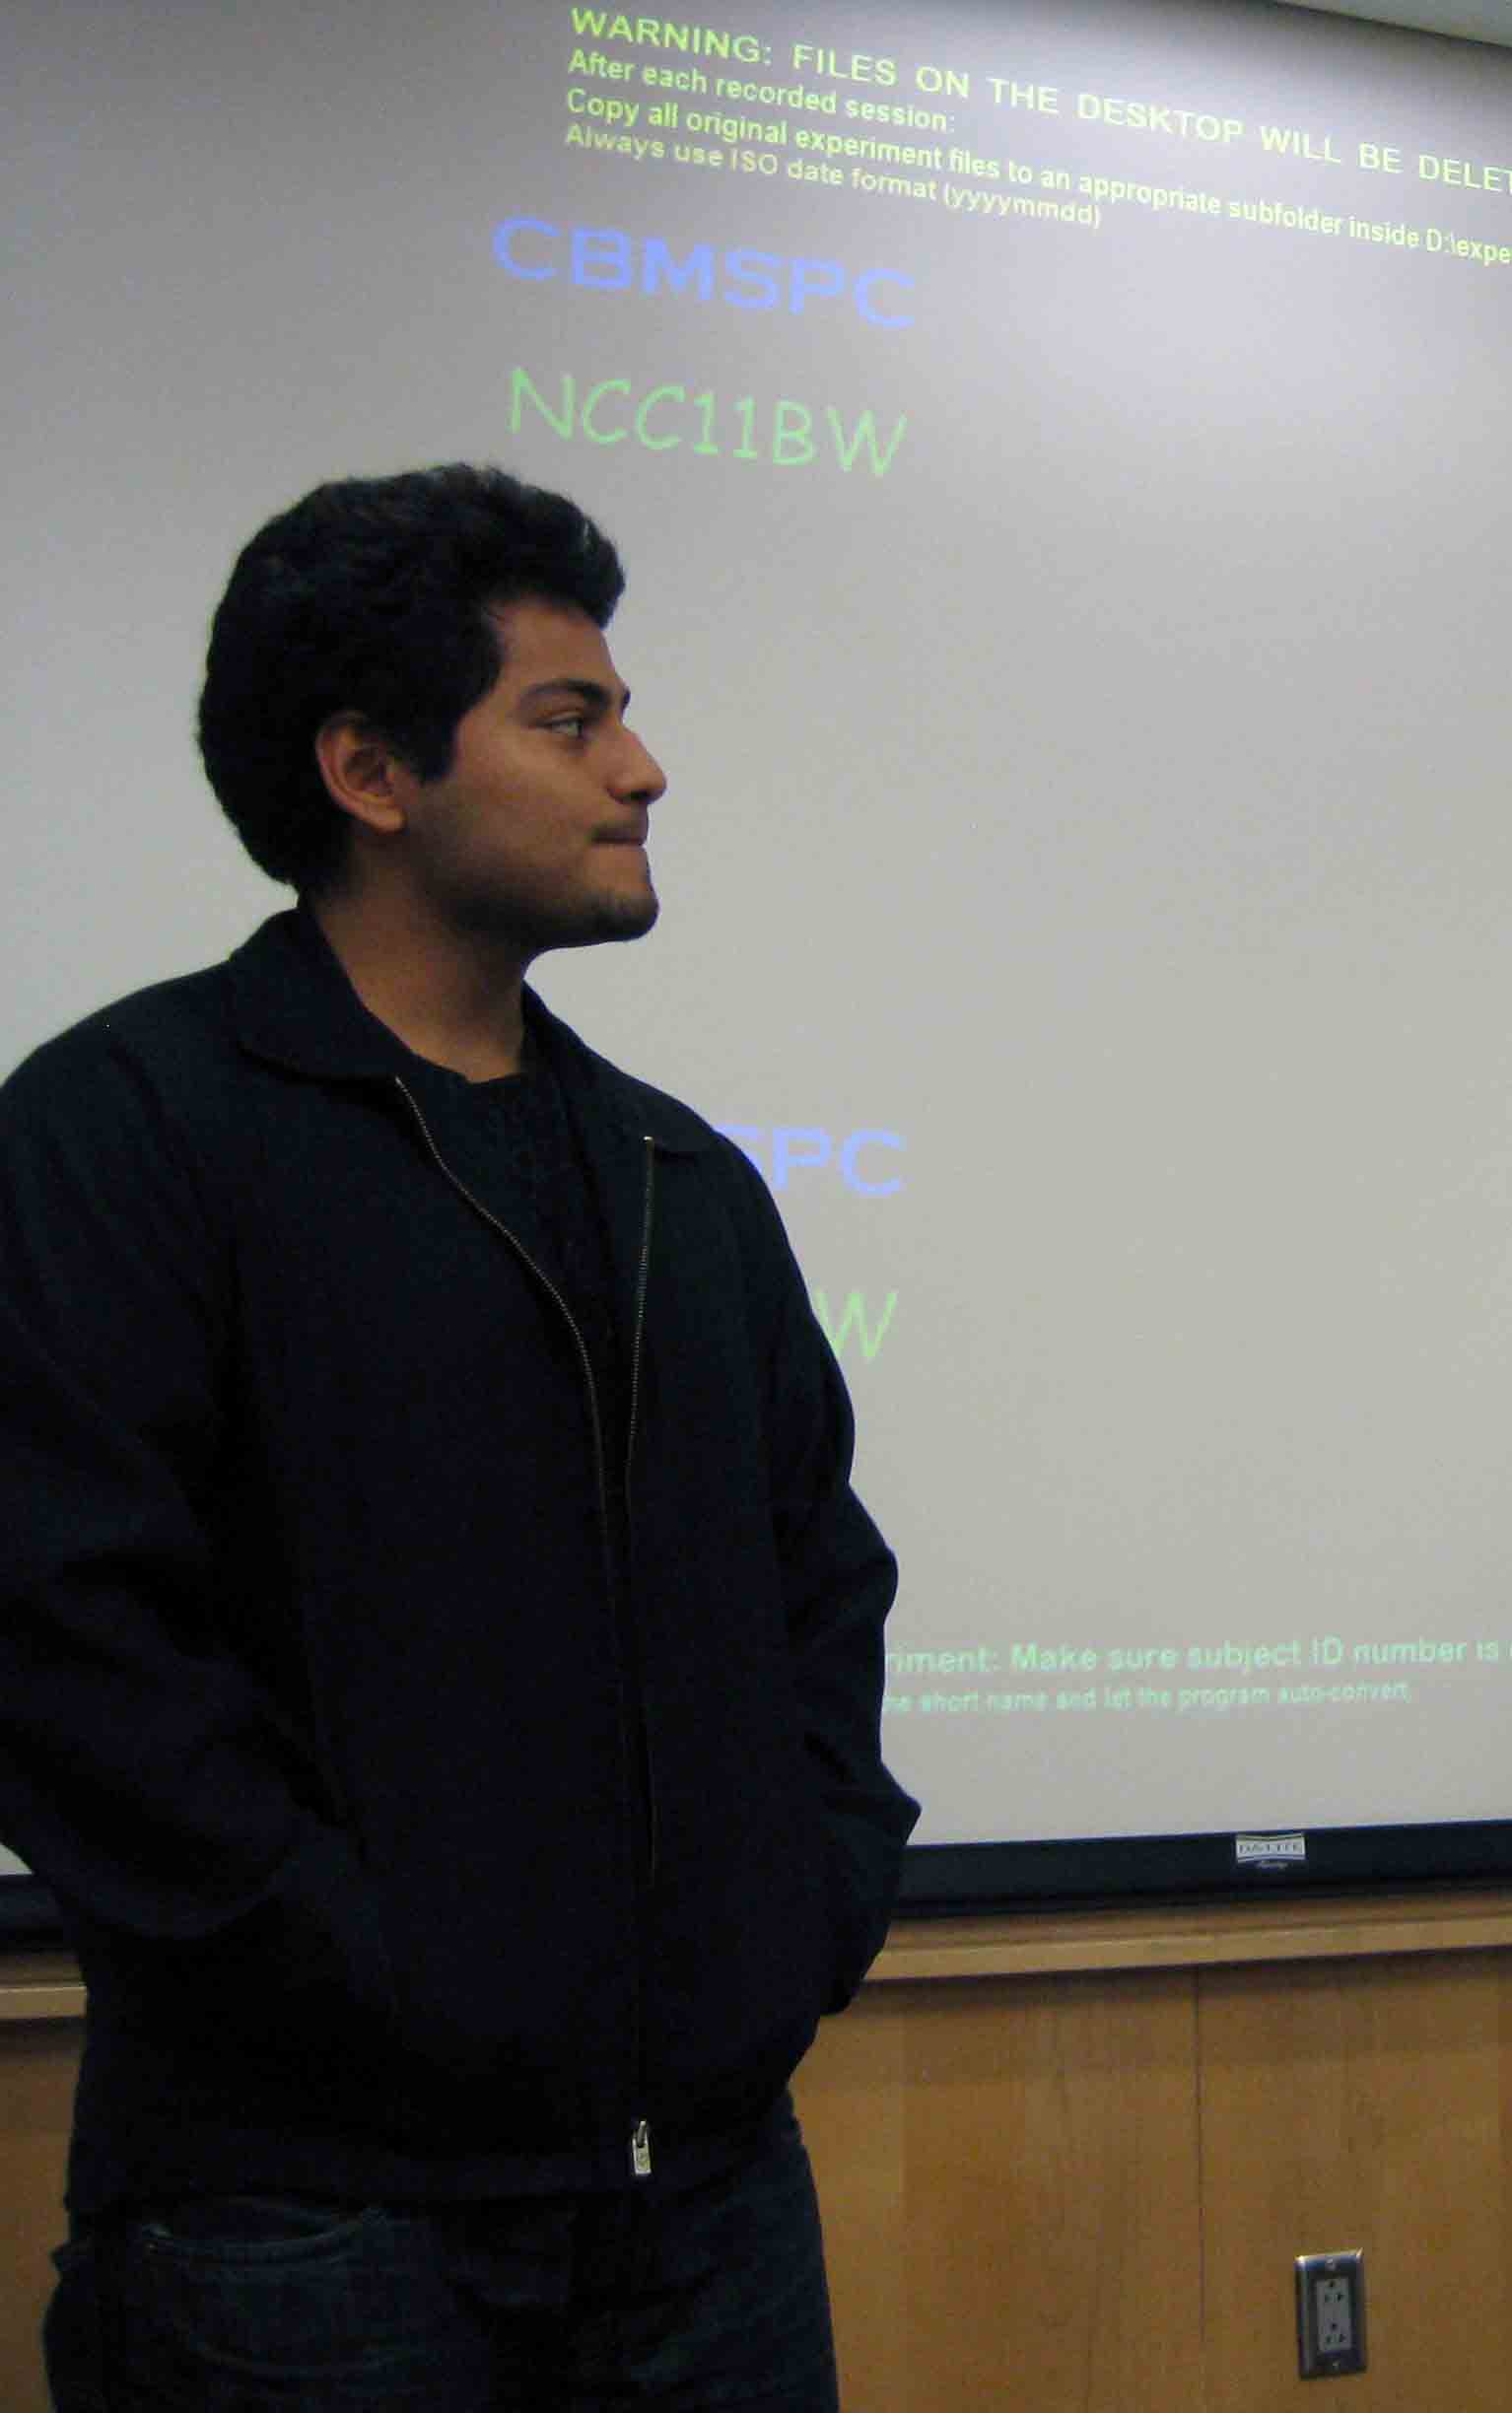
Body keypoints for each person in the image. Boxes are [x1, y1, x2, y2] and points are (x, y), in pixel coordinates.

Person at [0, 464, 919, 2405]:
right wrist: (370, 1980)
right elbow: (60, 1641)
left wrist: (806, 1909)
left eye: (623, 714)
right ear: (369, 772)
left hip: (710, 2208)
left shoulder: (677, 1175)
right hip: (301, 2225)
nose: (642, 769)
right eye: (568, 720)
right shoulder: (125, 1134)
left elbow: (819, 1589)